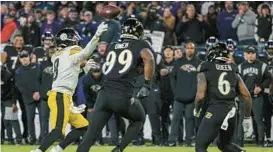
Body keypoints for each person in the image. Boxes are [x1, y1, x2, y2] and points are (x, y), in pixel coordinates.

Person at [77, 17, 155, 152]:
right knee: (139, 119)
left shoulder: (112, 46)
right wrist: (147, 84)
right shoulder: (140, 44)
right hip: (122, 94)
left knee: (89, 137)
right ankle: (119, 149)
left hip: (104, 95)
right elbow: (149, 58)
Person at [30, 22, 108, 152]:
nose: (76, 41)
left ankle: (58, 149)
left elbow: (71, 75)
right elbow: (86, 52)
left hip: (63, 95)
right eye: (74, 38)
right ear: (67, 40)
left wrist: (85, 69)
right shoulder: (70, 51)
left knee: (83, 126)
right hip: (60, 95)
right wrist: (97, 36)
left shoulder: (57, 56)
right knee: (57, 131)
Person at [194, 43, 252, 152]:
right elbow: (247, 96)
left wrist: (197, 109)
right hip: (232, 111)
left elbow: (200, 96)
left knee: (200, 146)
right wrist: (247, 118)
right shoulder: (233, 70)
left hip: (215, 110)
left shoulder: (205, 68)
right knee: (225, 145)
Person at [167, 41, 201, 147]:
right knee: (176, 118)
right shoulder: (178, 62)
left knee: (189, 119)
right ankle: (172, 140)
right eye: (188, 48)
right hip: (179, 97)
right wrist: (175, 91)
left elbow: (202, 80)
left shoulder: (199, 63)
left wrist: (197, 93)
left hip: (192, 97)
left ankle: (188, 141)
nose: (190, 50)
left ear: (194, 50)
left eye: (192, 48)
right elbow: (172, 77)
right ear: (184, 49)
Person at [237, 46, 271, 146]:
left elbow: (268, 79)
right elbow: (236, 82)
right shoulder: (240, 67)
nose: (250, 55)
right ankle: (239, 143)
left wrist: (261, 87)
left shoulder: (263, 66)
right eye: (248, 53)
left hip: (257, 97)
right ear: (245, 54)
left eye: (252, 53)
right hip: (244, 98)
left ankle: (260, 142)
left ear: (256, 54)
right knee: (241, 121)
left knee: (259, 120)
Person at [15, 50, 41, 145]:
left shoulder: (38, 67)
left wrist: (38, 92)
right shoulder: (18, 72)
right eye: (22, 57)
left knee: (43, 118)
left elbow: (42, 80)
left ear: (29, 57)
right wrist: (32, 94)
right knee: (30, 119)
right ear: (20, 59)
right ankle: (32, 138)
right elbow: (20, 87)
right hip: (28, 99)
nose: (24, 58)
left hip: (40, 97)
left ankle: (42, 138)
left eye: (25, 56)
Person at [1, 62, 22, 145]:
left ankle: (18, 139)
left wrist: (14, 102)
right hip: (2, 100)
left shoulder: (8, 75)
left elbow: (13, 90)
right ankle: (10, 139)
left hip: (8, 99)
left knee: (13, 119)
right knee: (5, 121)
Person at [39, 46, 55, 142]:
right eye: (51, 51)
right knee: (44, 118)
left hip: (57, 95)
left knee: (58, 119)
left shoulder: (61, 64)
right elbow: (38, 79)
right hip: (45, 97)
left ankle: (57, 137)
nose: (52, 52)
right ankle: (44, 138)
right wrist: (40, 92)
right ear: (47, 53)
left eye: (54, 51)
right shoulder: (42, 64)